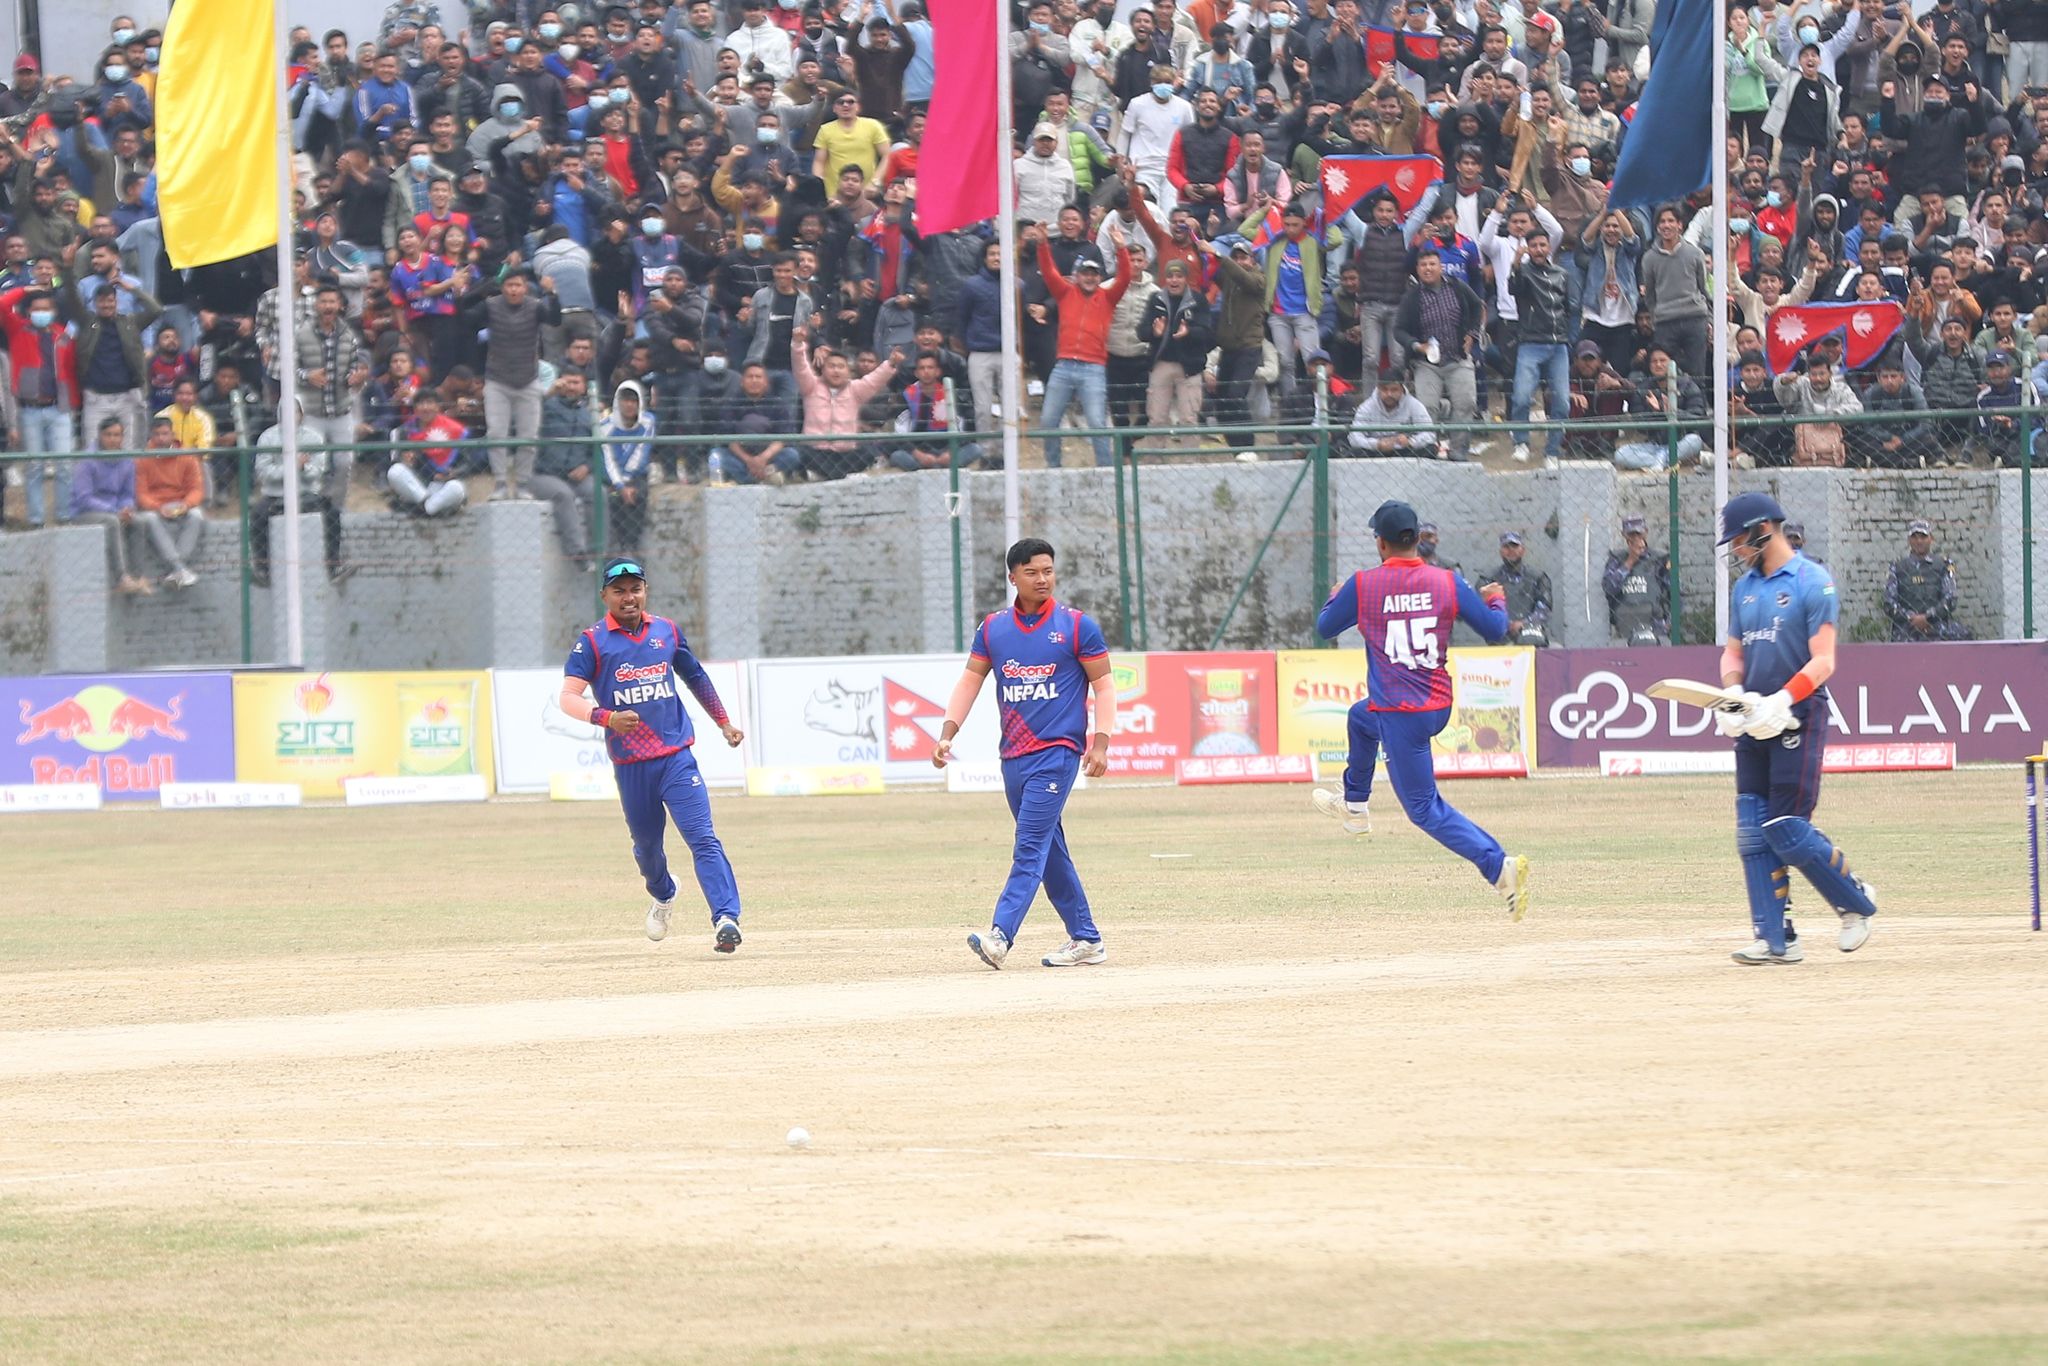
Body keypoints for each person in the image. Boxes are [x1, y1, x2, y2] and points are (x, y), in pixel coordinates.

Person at [1308, 499, 1531, 919]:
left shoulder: (1363, 584)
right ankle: (1355, 808)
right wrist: (1497, 600)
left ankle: (1498, 867)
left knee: (1424, 809)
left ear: (1381, 543)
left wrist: (1335, 596)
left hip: (1401, 712)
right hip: (1437, 705)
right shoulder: (1447, 581)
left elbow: (1325, 628)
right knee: (1360, 718)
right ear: (1416, 540)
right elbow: (1495, 629)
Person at [933, 537, 1116, 970]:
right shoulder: (993, 629)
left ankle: (1000, 935)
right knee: (1049, 850)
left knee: (1030, 846)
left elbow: (1105, 685)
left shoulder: (1076, 626)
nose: (1042, 579)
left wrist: (1101, 741)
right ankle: (1086, 938)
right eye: (1031, 572)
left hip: (1057, 753)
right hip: (1013, 758)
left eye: (1048, 570)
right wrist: (947, 733)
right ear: (1012, 577)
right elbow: (970, 682)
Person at [1713, 490, 1879, 964]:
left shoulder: (1813, 581)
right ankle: (1776, 940)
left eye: (1739, 540)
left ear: (1763, 529)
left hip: (1797, 715)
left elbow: (1824, 661)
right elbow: (1733, 653)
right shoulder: (1744, 588)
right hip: (1753, 717)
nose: (1736, 550)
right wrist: (1734, 695)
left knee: (1785, 828)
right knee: (1751, 830)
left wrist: (1783, 699)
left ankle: (1855, 900)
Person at [559, 557, 748, 951]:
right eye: (619, 591)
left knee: (702, 838)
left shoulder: (666, 631)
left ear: (645, 590)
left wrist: (723, 722)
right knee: (647, 850)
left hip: (676, 758)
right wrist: (607, 718)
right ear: (605, 595)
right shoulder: (592, 642)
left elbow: (695, 677)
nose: (629, 597)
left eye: (636, 589)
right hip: (632, 767)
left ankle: (726, 918)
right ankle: (664, 894)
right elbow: (568, 698)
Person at [73, 417, 148, 594]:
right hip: (85, 512)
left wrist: (127, 508)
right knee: (112, 522)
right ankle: (121, 578)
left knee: (139, 522)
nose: (113, 439)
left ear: (122, 437)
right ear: (100, 435)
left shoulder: (127, 460)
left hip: (116, 510)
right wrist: (115, 511)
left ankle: (138, 577)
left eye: (117, 435)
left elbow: (128, 494)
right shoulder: (87, 461)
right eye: (108, 435)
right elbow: (84, 498)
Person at [133, 414, 205, 588]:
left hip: (181, 504)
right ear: (151, 436)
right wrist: (158, 507)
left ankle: (177, 568)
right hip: (155, 507)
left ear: (173, 435)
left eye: (165, 434)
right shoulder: (142, 459)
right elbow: (141, 494)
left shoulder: (187, 456)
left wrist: (186, 504)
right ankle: (180, 568)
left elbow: (196, 489)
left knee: (197, 515)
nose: (161, 438)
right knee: (149, 518)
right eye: (157, 434)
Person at [1883, 519, 1967, 640]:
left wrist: (1928, 617)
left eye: (1923, 537)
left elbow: (1950, 598)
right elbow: (1889, 602)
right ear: (1909, 540)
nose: (1919, 541)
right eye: (1914, 537)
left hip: (1937, 631)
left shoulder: (1943, 565)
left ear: (1931, 538)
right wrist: (1911, 618)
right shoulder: (1897, 567)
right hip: (1906, 633)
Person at [1603, 515, 1669, 644]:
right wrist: (1630, 561)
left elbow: (1676, 594)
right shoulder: (1616, 560)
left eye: (1639, 534)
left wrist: (1668, 624)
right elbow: (1608, 588)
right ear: (1624, 535)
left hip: (1656, 626)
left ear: (1646, 533)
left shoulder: (1659, 560)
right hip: (1625, 628)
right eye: (1631, 535)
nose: (1635, 538)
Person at [1346, 368, 1437, 454]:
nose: (1389, 394)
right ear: (1378, 388)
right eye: (1384, 389)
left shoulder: (1414, 405)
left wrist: (1410, 442)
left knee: (1430, 449)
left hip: (1405, 451)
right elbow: (1354, 437)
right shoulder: (1367, 407)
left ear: (1402, 389)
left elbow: (1430, 434)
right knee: (1355, 452)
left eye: (1394, 390)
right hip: (1376, 452)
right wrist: (1377, 444)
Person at [1487, 531, 1552, 646]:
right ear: (1500, 551)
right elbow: (1484, 610)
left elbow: (1544, 609)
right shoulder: (1489, 579)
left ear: (1523, 550)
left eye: (1515, 546)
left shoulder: (1538, 577)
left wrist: (1524, 624)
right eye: (1506, 547)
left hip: (1533, 635)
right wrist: (1507, 624)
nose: (1511, 550)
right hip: (1500, 637)